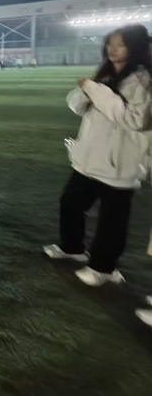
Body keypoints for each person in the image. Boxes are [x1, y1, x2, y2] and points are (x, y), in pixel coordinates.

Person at [44, 25, 152, 286]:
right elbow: (77, 106)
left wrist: (97, 91)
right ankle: (73, 248)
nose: (112, 49)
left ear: (135, 46)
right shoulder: (104, 73)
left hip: (120, 161)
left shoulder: (143, 80)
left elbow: (136, 120)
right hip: (91, 156)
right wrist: (87, 90)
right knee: (70, 202)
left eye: (120, 44)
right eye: (110, 43)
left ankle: (104, 268)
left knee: (112, 220)